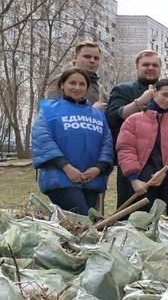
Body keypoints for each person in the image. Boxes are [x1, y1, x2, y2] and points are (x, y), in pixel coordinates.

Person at [32, 67, 113, 215]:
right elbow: (43, 140)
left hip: (90, 180)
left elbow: (107, 144)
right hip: (60, 178)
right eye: (72, 83)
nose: (77, 87)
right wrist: (67, 168)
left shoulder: (98, 115)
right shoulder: (48, 110)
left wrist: (98, 168)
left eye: (82, 84)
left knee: (85, 225)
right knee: (81, 219)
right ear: (62, 84)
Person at [116, 79, 168, 220]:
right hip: (141, 181)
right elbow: (125, 149)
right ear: (154, 91)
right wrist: (134, 179)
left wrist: (166, 170)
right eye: (165, 94)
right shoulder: (133, 120)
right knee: (139, 223)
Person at [106, 50, 162, 208]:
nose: (150, 68)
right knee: (132, 214)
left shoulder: (166, 93)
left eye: (155, 65)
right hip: (133, 163)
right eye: (145, 64)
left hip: (161, 165)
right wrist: (140, 102)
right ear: (137, 67)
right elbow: (112, 118)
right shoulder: (123, 90)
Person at [46, 40, 107, 110]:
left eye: (96, 58)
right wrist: (93, 111)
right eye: (87, 57)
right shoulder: (61, 80)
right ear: (75, 58)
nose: (92, 61)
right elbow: (52, 112)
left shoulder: (97, 85)